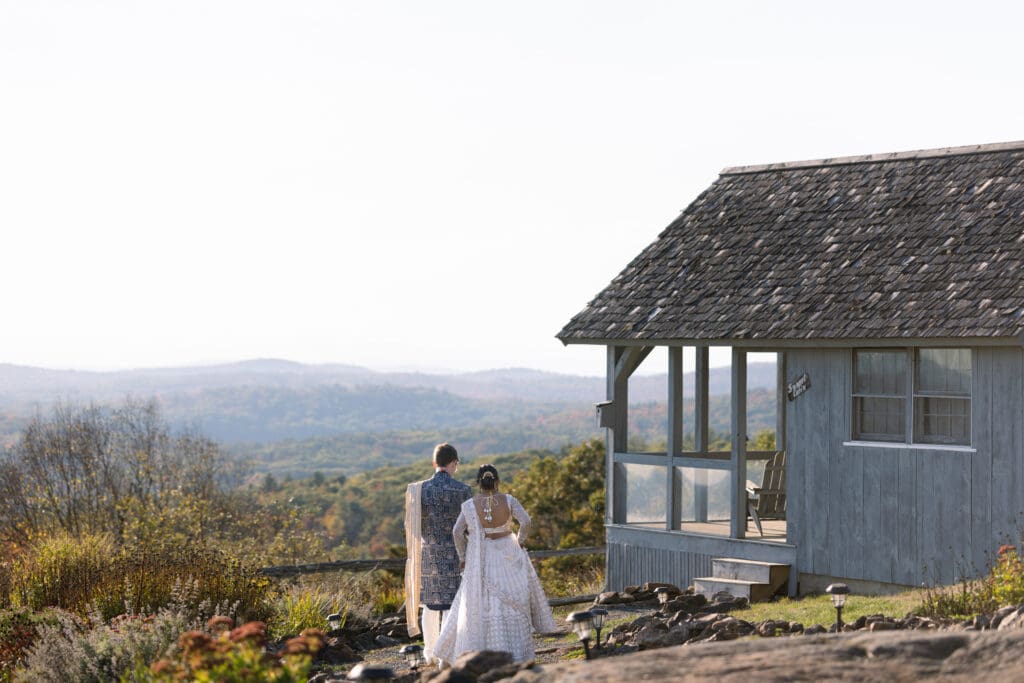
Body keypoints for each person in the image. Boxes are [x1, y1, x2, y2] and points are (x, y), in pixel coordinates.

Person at [433, 464, 557, 665]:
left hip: (482, 558)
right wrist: (521, 540)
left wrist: (463, 556)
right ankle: (517, 654)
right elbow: (525, 521)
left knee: (484, 601)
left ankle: (481, 653)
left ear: (478, 483)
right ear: (497, 481)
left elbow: (457, 532)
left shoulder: (469, 505)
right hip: (509, 552)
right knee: (514, 600)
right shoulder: (509, 500)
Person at [404, 443, 473, 665]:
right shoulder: (463, 490)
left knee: (431, 606)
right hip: (455, 554)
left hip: (428, 554)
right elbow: (469, 527)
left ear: (434, 463)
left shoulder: (419, 490)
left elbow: (412, 525)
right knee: (452, 607)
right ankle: (448, 655)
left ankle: (430, 654)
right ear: (453, 463)